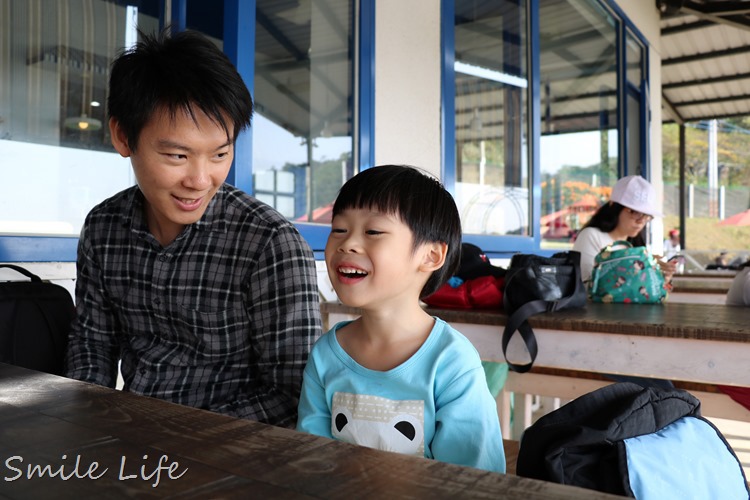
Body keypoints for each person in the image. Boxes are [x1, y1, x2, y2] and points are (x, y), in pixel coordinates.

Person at [64, 29, 322, 428]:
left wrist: (179, 434)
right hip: (133, 446)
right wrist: (87, 424)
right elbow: (92, 348)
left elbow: (293, 395)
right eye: (177, 155)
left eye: (220, 153)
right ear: (122, 136)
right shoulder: (103, 228)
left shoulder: (269, 244)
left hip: (236, 458)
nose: (201, 179)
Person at [296, 165, 506, 473]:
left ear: (430, 256)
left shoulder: (451, 361)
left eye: (373, 232)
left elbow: (476, 479)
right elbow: (312, 461)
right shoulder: (326, 353)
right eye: (339, 229)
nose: (347, 244)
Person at [573, 175, 677, 283]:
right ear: (614, 206)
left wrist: (660, 278)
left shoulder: (635, 246)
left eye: (646, 215)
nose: (641, 221)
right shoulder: (591, 236)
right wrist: (642, 270)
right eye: (635, 212)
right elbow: (587, 286)